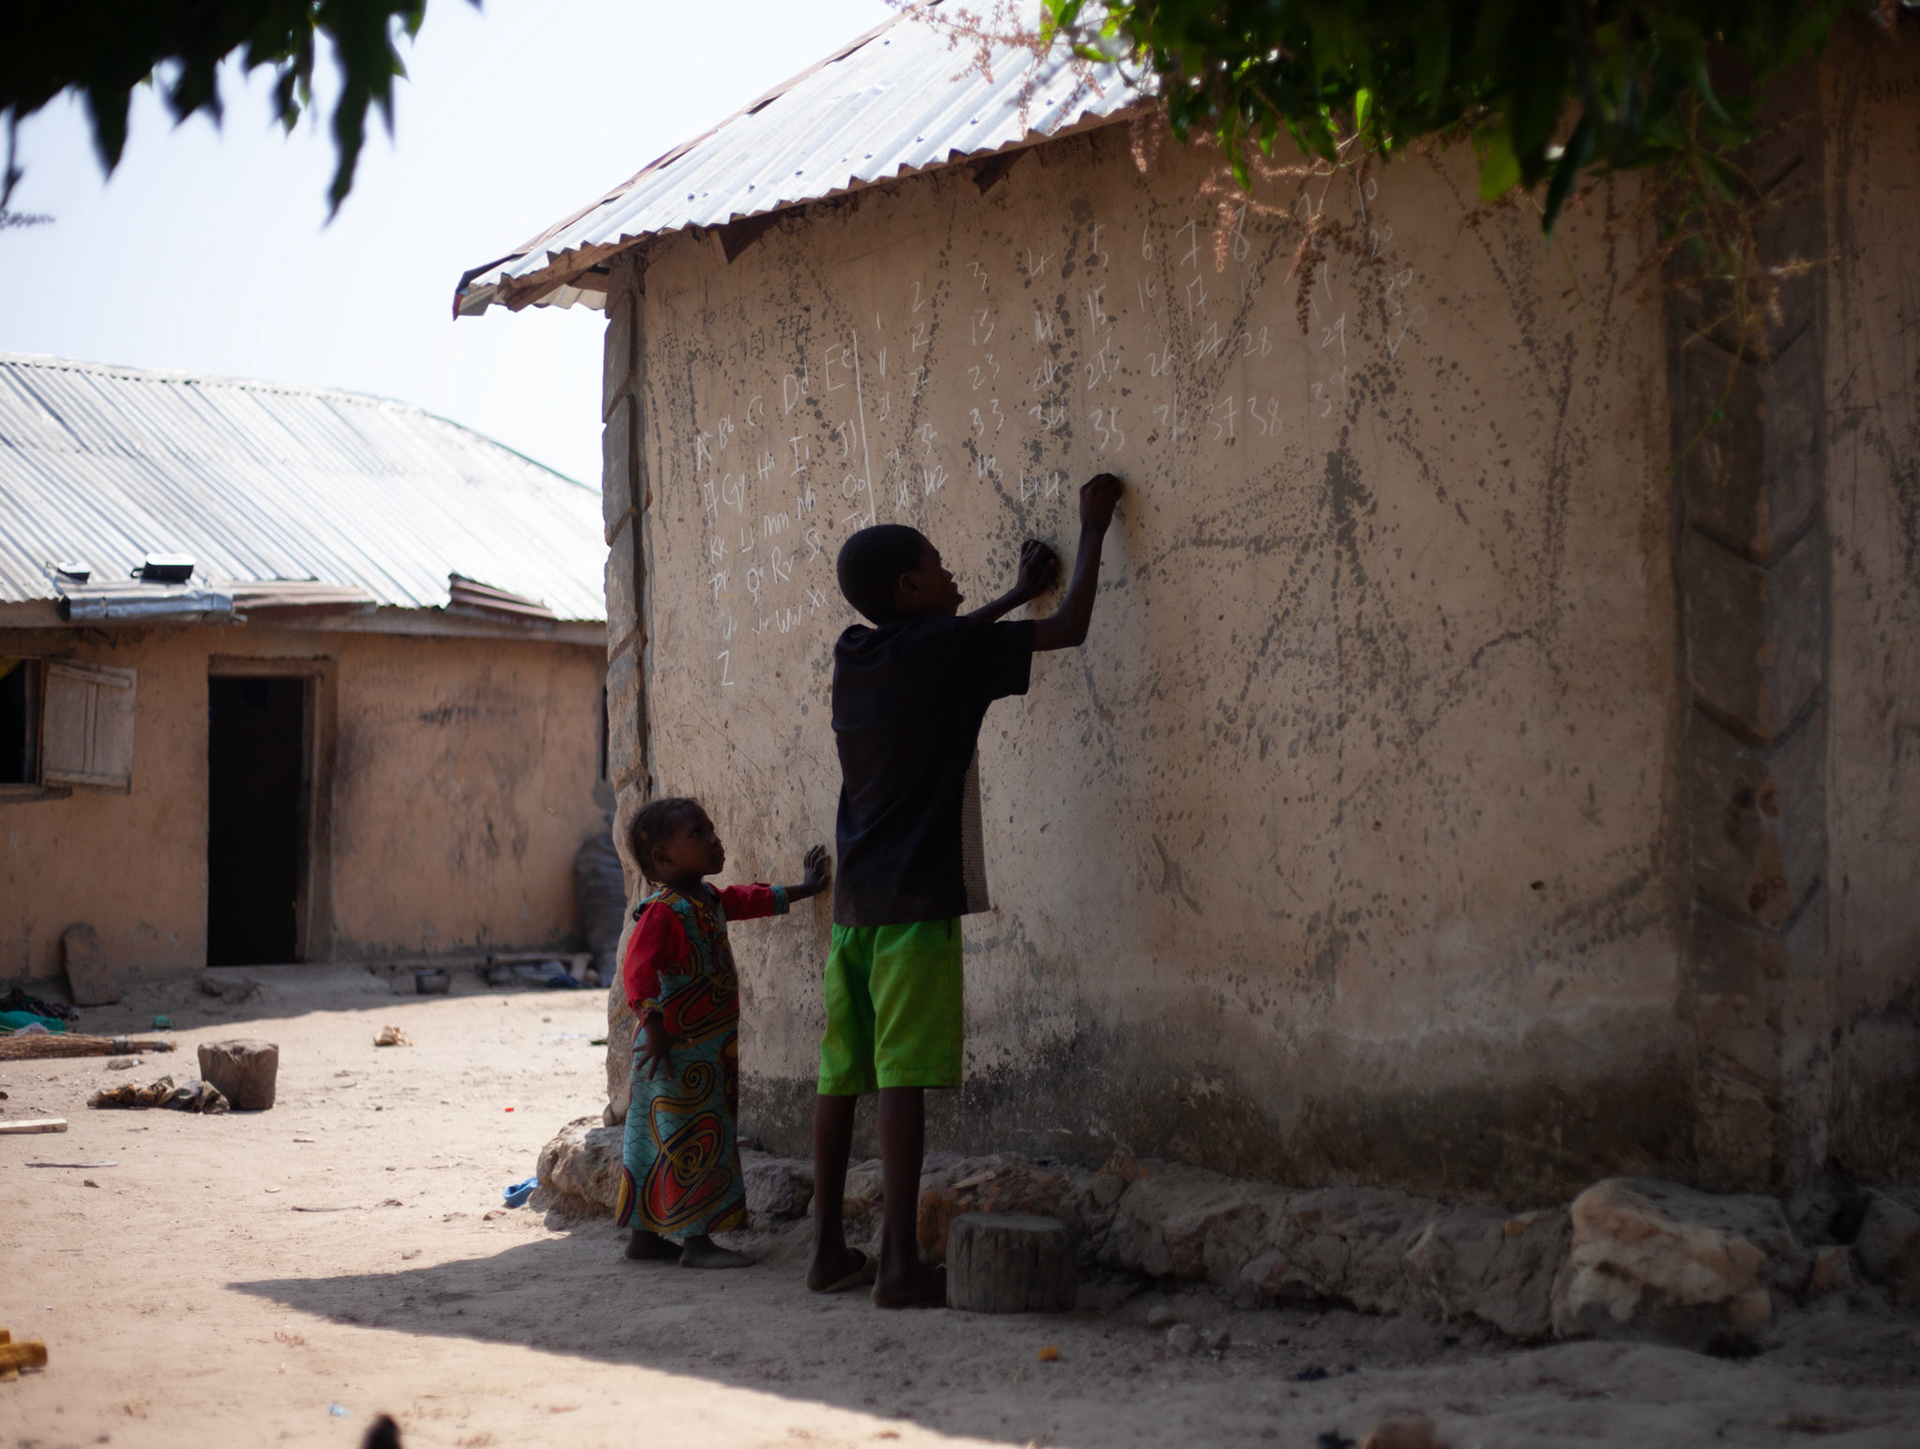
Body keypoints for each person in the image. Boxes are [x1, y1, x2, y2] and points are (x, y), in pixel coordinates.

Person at [810, 473, 1125, 1307]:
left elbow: (942, 642)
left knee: (842, 1075)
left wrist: (1008, 594)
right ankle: (899, 1265)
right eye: (941, 567)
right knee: (900, 1076)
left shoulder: (858, 651)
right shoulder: (940, 648)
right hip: (916, 900)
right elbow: (1070, 628)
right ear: (911, 587)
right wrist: (1093, 531)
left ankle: (825, 1252)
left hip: (854, 904)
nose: (954, 578)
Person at [617, 796, 830, 1268]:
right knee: (691, 1138)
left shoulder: (707, 900)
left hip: (704, 1052)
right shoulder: (664, 912)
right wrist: (653, 1024)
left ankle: (645, 1239)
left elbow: (747, 899)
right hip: (672, 1052)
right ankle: (697, 1245)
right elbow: (638, 971)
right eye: (697, 833)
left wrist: (804, 888)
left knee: (660, 1138)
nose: (714, 838)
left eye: (710, 828)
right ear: (664, 859)